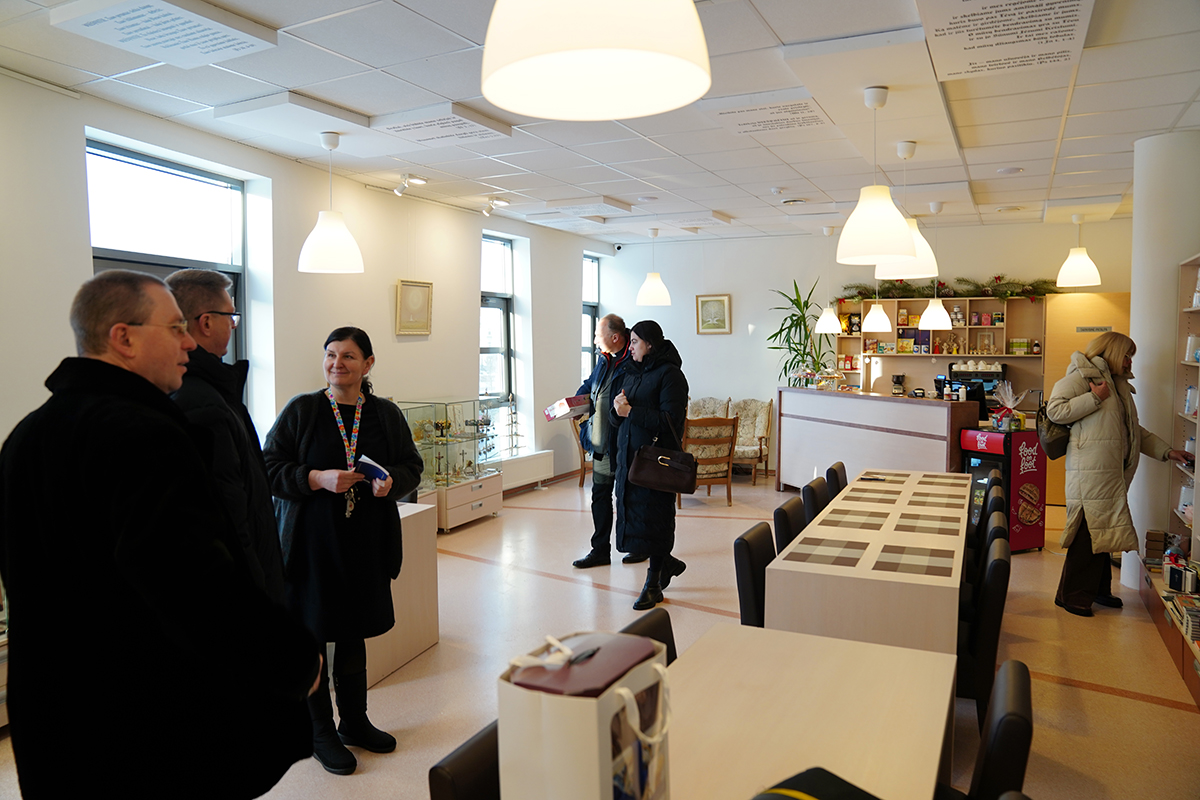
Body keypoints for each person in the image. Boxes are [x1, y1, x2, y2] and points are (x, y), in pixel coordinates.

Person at [0, 270, 322, 799]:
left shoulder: (26, 436)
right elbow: (192, 582)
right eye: (174, 328)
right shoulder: (142, 434)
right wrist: (290, 657)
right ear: (123, 337)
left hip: (57, 714)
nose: (189, 342)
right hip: (141, 723)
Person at [264, 327, 424, 775]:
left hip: (364, 545)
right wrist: (316, 478)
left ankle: (355, 721)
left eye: (349, 356)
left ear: (368, 364)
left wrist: (392, 482)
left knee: (353, 631)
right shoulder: (303, 410)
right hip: (310, 548)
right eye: (331, 355)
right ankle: (319, 732)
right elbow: (268, 465)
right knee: (312, 636)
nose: (337, 364)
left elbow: (412, 466)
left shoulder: (385, 414)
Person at [1046, 331, 1189, 617]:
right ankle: (1071, 596)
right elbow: (1055, 411)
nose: (1129, 362)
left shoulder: (1117, 385)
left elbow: (1133, 431)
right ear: (1112, 352)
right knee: (1088, 532)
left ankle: (1098, 591)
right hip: (1090, 472)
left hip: (1108, 472)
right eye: (1126, 355)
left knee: (1105, 530)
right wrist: (1094, 398)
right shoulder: (1082, 376)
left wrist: (1167, 451)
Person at [166, 268, 285, 602]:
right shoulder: (201, 402)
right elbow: (231, 521)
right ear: (206, 322)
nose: (234, 326)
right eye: (230, 316)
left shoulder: (213, 390)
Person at [611, 320, 690, 611]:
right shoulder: (632, 372)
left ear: (649, 344)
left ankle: (653, 583)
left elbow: (671, 421)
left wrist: (630, 411)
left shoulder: (671, 375)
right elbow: (618, 417)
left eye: (634, 342)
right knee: (637, 517)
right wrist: (617, 410)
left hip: (656, 462)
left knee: (656, 518)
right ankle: (666, 563)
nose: (630, 347)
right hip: (630, 459)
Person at [572, 313, 646, 568]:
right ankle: (600, 550)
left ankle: (637, 546)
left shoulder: (634, 359)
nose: (594, 340)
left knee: (630, 497)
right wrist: (574, 403)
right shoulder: (604, 359)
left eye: (597, 335)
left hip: (625, 443)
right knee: (600, 496)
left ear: (615, 337)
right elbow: (590, 385)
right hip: (602, 443)